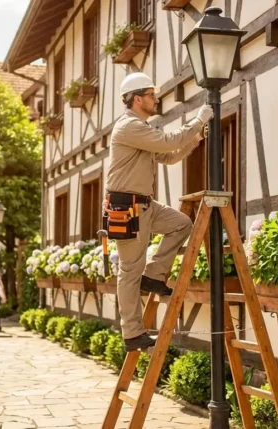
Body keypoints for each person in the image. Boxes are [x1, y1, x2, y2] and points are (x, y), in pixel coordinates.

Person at [107, 72, 213, 352]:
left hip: (145, 205)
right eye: (152, 95)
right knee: (129, 271)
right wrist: (198, 120)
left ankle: (154, 275)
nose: (156, 99)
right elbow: (167, 142)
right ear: (137, 98)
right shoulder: (129, 127)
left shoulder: (141, 131)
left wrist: (193, 140)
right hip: (126, 207)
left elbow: (168, 156)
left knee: (181, 224)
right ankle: (132, 334)